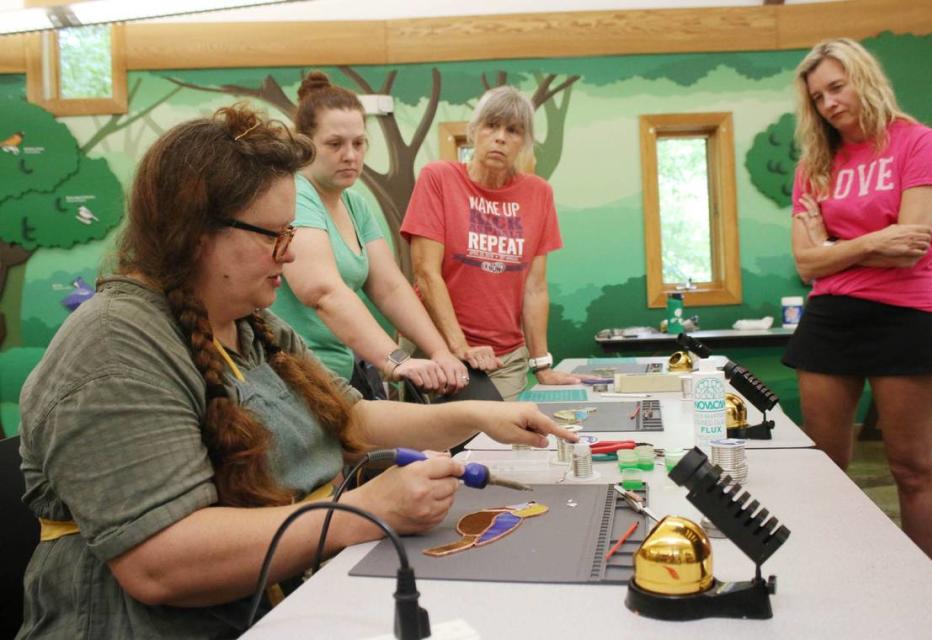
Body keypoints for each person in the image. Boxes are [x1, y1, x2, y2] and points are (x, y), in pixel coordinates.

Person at [15, 105, 575, 639]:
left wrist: (480, 416)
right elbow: (160, 563)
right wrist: (367, 511)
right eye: (275, 235)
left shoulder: (251, 325)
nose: (289, 253)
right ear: (196, 231)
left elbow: (350, 417)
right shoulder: (116, 347)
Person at [783, 38, 932, 564]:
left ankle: (927, 595)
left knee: (911, 467)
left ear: (865, 77)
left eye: (838, 86)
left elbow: (912, 247)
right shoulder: (815, 163)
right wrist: (870, 243)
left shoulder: (916, 142)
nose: (829, 102)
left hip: (909, 316)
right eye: (818, 96)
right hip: (831, 318)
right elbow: (805, 264)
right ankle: (840, 576)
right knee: (826, 466)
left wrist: (834, 248)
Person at [270, 71, 468, 396]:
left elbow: (390, 288)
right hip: (294, 375)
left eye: (359, 143)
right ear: (305, 145)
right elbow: (321, 291)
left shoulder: (355, 204)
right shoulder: (295, 195)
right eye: (335, 144)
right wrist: (395, 359)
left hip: (343, 370)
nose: (350, 155)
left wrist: (440, 352)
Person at [401, 86, 581, 401]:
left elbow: (535, 288)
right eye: (491, 126)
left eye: (513, 131)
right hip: (437, 348)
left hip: (505, 359)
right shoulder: (439, 178)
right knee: (443, 448)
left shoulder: (538, 194)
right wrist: (459, 348)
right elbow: (426, 273)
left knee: (507, 444)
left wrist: (541, 364)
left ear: (525, 143)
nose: (500, 137)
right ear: (473, 131)